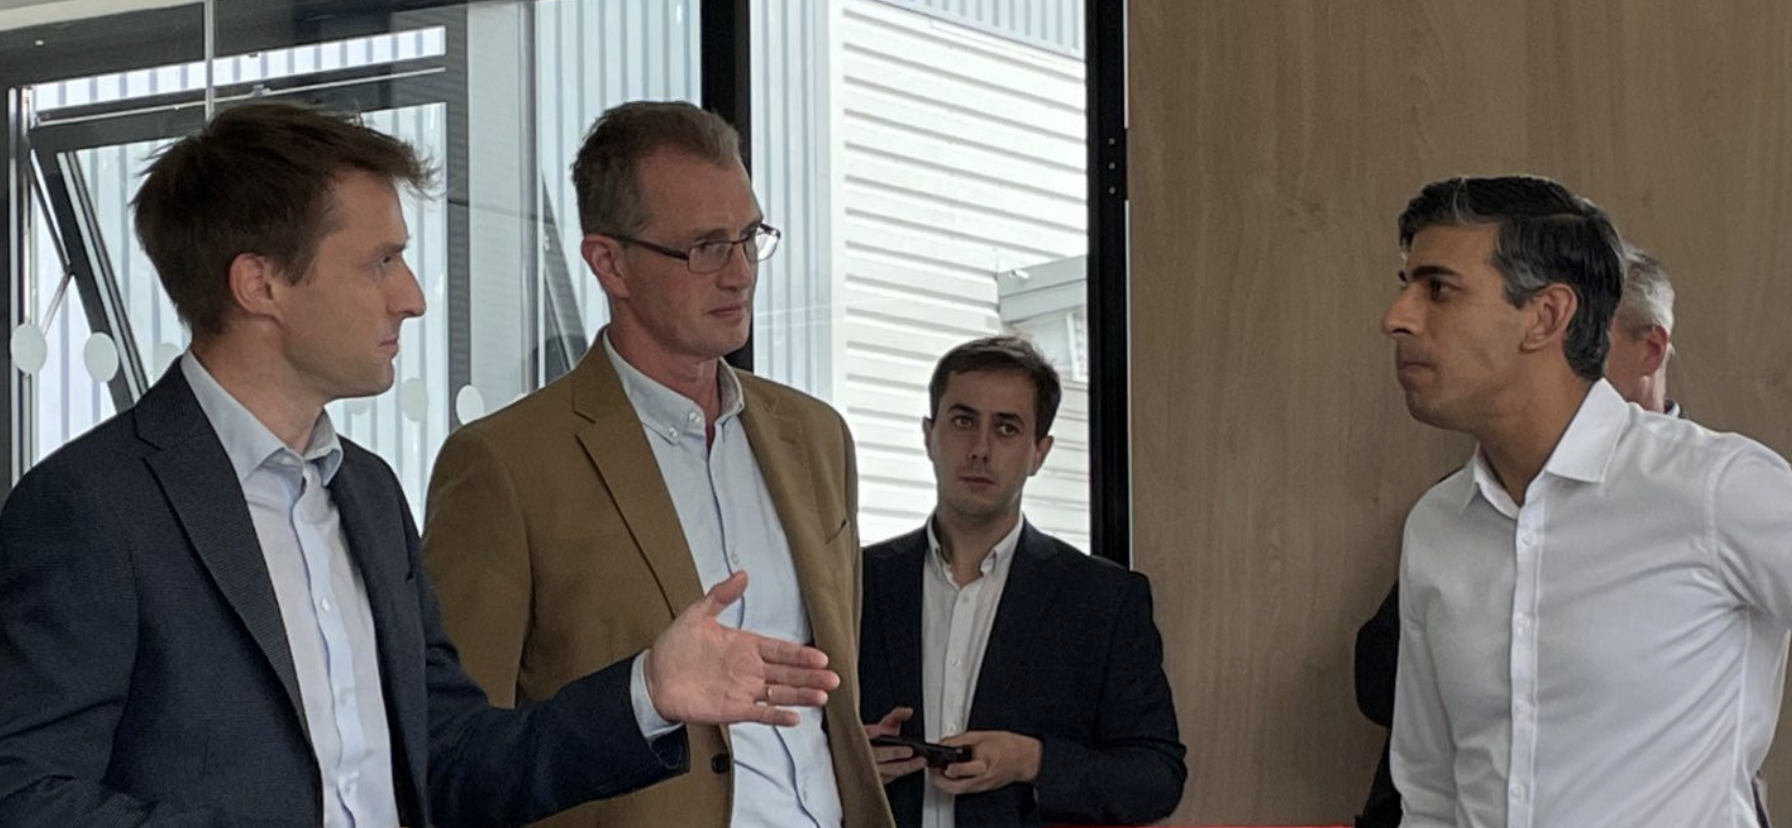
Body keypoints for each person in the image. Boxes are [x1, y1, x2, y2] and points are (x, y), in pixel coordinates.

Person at [0, 101, 841, 828]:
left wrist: (646, 692)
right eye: (380, 262)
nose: (412, 295)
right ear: (261, 284)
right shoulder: (90, 505)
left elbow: (453, 760)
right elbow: (24, 792)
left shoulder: (366, 494)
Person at [420, 100, 891, 828]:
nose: (739, 275)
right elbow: (460, 758)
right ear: (610, 263)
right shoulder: (503, 466)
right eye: (704, 247)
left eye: (748, 237)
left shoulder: (816, 437)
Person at [1382, 175, 1792, 827]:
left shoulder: (1714, 488)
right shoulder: (1437, 526)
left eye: (1437, 288)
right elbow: (1430, 790)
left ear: (1546, 316)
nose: (1397, 317)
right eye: (1405, 285)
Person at [857, 336, 1186, 828]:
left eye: (1006, 429)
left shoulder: (1104, 600)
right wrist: (843, 760)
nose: (981, 449)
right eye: (963, 421)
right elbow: (782, 745)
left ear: (1039, 452)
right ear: (929, 435)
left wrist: (1032, 761)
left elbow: (1157, 778)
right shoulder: (853, 583)